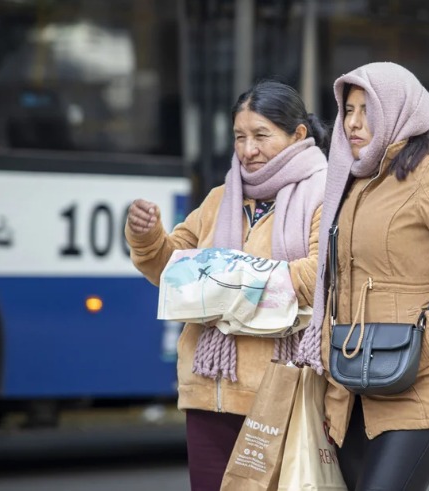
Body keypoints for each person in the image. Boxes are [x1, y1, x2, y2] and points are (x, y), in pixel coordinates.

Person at [295, 62, 429, 490]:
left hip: (421, 384)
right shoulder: (353, 179)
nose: (353, 123)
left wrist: (425, 339)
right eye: (347, 110)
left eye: (365, 110)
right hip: (353, 384)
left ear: (395, 109)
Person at [124, 80, 330, 491]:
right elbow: (175, 270)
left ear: (298, 135)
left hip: (279, 392)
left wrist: (230, 280)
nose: (247, 150)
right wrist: (146, 236)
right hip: (207, 391)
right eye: (239, 137)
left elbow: (319, 274)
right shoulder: (221, 198)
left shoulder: (325, 194)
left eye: (260, 136)